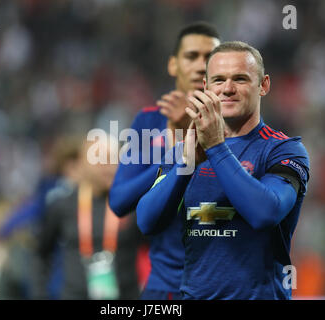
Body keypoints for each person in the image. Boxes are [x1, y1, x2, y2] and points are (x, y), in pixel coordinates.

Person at [137, 41, 310, 299]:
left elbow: (265, 213)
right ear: (206, 87)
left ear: (263, 85)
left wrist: (217, 148)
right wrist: (185, 166)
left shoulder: (283, 151)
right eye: (218, 80)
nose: (227, 89)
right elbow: (147, 221)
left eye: (240, 79)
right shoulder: (185, 151)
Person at [109, 22, 220, 299]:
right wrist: (178, 149)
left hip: (221, 283)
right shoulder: (149, 120)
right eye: (191, 56)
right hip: (166, 285)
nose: (199, 65)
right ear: (173, 65)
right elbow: (119, 200)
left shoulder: (234, 122)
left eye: (209, 58)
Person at [32, 136, 142, 299]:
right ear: (82, 163)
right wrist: (40, 295)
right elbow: (40, 254)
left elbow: (159, 248)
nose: (107, 166)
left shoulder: (133, 205)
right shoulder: (62, 206)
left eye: (113, 158)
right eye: (99, 159)